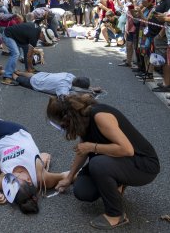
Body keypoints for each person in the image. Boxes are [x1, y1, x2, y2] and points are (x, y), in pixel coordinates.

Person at [46, 94, 160, 230]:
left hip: (143, 164)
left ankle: (116, 215)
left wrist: (91, 147)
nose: (62, 129)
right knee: (83, 191)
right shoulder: (81, 119)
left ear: (68, 119)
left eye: (60, 126)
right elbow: (83, 151)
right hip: (119, 161)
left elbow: (127, 150)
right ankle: (118, 181)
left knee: (98, 164)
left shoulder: (99, 116)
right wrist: (69, 178)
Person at [0, 117, 69, 214]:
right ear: (29, 180)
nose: (9, 177)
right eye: (15, 178)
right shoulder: (42, 178)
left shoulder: (7, 184)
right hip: (15, 134)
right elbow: (68, 175)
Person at [0, 67, 101, 96]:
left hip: (43, 76)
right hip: (37, 84)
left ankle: (12, 70)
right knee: (17, 78)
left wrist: (90, 88)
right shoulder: (63, 86)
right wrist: (87, 92)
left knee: (27, 74)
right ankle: (3, 72)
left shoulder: (70, 76)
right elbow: (64, 97)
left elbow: (75, 86)